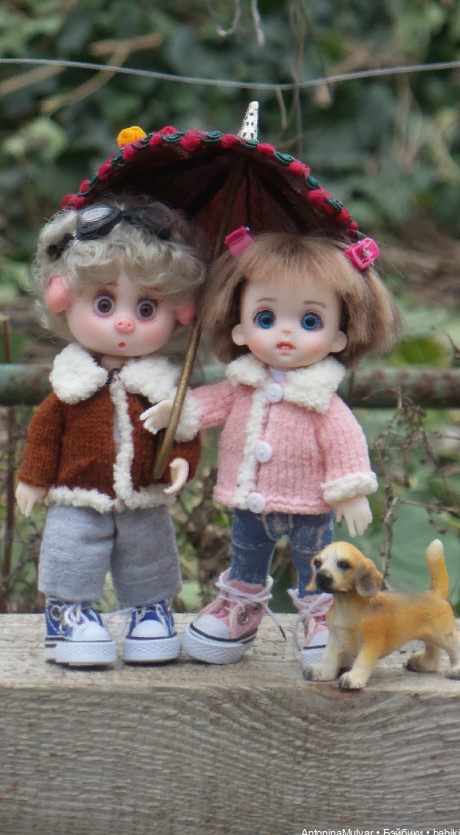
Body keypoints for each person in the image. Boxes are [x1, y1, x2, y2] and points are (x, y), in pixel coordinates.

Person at [143, 229, 400, 667]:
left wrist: (350, 491)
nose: (285, 332)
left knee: (315, 565)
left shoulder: (322, 401)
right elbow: (209, 404)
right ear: (239, 328)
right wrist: (179, 410)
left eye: (310, 321)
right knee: (246, 558)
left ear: (339, 336)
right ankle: (239, 608)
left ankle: (325, 619)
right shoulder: (242, 385)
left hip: (309, 507)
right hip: (251, 504)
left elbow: (345, 441)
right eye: (265, 318)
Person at [16, 193, 206, 667]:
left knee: (150, 554)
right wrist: (33, 479)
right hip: (78, 491)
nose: (123, 321)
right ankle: (68, 613)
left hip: (143, 492)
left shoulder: (161, 388)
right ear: (62, 299)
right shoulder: (72, 385)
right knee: (71, 552)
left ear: (180, 313)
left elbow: (184, 434)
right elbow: (45, 432)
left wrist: (181, 460)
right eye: (103, 303)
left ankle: (150, 611)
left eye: (147, 308)